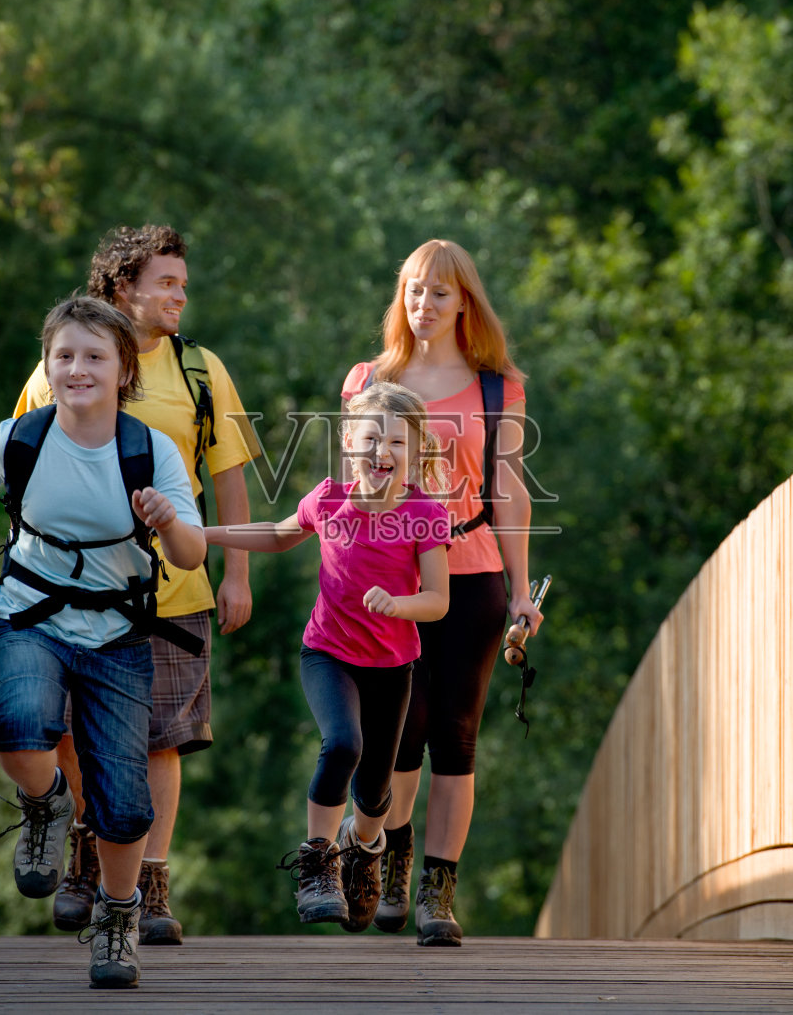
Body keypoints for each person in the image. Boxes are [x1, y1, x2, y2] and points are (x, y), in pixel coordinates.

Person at [0, 295, 206, 988]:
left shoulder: (148, 450)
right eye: (64, 355)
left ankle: (118, 914)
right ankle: (44, 803)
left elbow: (191, 555)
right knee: (18, 726)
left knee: (125, 805)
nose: (78, 369)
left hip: (119, 635)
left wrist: (167, 520)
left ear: (123, 369)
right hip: (29, 615)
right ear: (46, 365)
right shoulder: (22, 438)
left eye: (94, 357)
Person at [13, 224, 256, 943]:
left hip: (176, 591)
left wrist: (236, 571)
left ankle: (150, 888)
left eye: (183, 284)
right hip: (72, 592)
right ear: (123, 286)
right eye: (168, 283)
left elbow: (230, 479)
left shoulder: (202, 371)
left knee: (161, 743)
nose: (181, 296)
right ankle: (86, 863)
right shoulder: (65, 364)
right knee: (65, 734)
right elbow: (17, 464)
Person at [340, 239, 543, 947]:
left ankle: (437, 893)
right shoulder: (367, 378)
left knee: (456, 740)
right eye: (415, 291)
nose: (425, 305)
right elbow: (348, 493)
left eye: (441, 293)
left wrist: (522, 591)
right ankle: (391, 859)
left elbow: (508, 489)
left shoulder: (498, 387)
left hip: (473, 572)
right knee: (399, 737)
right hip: (388, 583)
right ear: (402, 296)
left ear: (465, 303)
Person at [205, 382, 450, 932]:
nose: (380, 452)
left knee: (375, 794)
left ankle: (364, 852)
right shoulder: (327, 499)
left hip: (392, 667)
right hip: (328, 655)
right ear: (347, 442)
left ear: (414, 455)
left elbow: (438, 602)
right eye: (369, 439)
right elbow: (274, 533)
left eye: (396, 443)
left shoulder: (425, 513)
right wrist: (206, 534)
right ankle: (319, 862)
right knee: (343, 744)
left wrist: (399, 603)